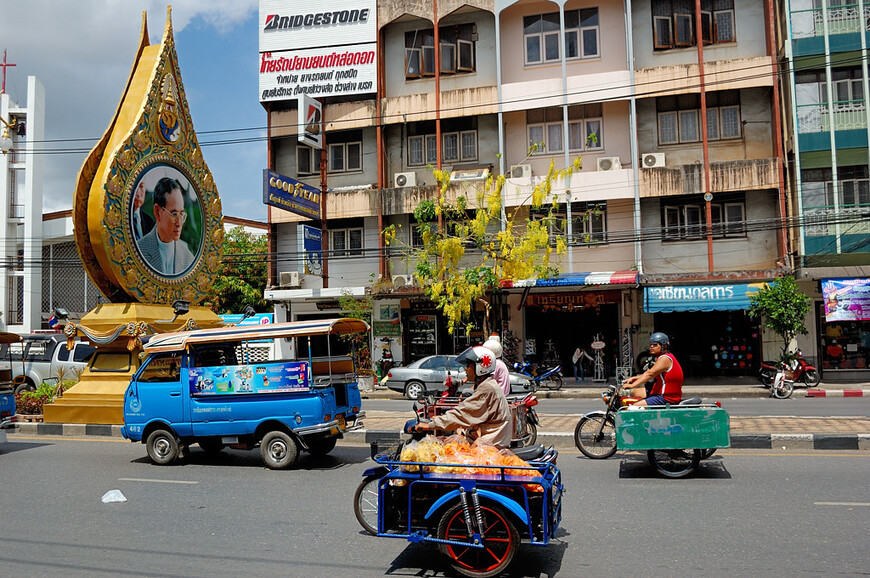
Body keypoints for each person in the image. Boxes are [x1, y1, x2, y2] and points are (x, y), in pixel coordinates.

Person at [414, 345, 511, 449]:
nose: (465, 369)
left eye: (469, 365)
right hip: (491, 440)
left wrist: (431, 425)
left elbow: (463, 413)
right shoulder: (487, 384)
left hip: (491, 446)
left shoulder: (487, 388)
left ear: (480, 367)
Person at [137, 177, 195, 275]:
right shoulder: (138, 252)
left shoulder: (188, 259)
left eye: (181, 214)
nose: (179, 223)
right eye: (174, 214)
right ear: (157, 212)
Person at [622, 332, 683, 406]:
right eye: (650, 344)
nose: (651, 346)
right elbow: (652, 373)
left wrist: (633, 385)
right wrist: (634, 378)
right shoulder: (662, 357)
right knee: (635, 392)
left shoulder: (665, 359)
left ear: (664, 346)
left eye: (655, 344)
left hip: (666, 397)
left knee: (634, 407)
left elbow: (650, 374)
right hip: (659, 392)